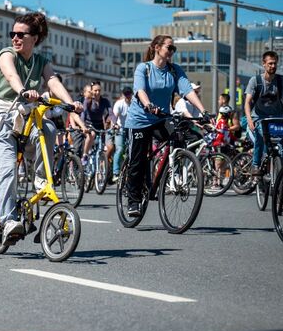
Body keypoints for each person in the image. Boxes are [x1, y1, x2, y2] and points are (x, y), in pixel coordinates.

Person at [0, 12, 79, 240]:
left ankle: (41, 181)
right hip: (3, 119)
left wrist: (70, 103)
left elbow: (52, 81)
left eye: (21, 34)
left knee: (48, 128)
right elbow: (11, 75)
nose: (15, 38)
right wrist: (22, 91)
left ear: (35, 38)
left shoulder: (40, 62)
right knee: (9, 168)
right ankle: (7, 220)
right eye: (13, 34)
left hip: (25, 119)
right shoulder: (6, 54)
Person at [124, 35, 208, 217]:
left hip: (160, 118)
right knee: (137, 161)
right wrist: (147, 104)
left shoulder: (174, 70)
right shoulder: (144, 68)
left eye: (173, 49)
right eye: (169, 48)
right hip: (139, 120)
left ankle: (171, 176)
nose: (171, 52)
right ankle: (133, 200)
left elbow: (187, 91)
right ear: (156, 47)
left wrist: (203, 111)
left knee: (179, 137)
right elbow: (140, 90)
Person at [243, 50, 283, 176]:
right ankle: (256, 164)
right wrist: (250, 120)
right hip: (259, 118)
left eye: (275, 64)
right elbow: (247, 102)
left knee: (282, 144)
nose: (273, 66)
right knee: (260, 135)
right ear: (264, 64)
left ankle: (280, 171)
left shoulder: (281, 80)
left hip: (276, 118)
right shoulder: (255, 81)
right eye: (270, 63)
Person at [80, 81, 113, 169]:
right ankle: (85, 155)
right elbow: (84, 113)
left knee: (104, 146)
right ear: (91, 91)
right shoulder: (87, 101)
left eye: (99, 90)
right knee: (92, 135)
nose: (97, 92)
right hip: (89, 124)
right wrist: (82, 125)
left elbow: (111, 113)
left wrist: (115, 124)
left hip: (99, 125)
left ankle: (101, 168)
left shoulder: (105, 101)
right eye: (95, 90)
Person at [111, 87, 133, 178]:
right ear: (123, 95)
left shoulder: (134, 104)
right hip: (120, 128)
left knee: (131, 150)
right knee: (120, 149)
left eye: (129, 94)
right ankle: (115, 172)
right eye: (126, 94)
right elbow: (114, 116)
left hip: (131, 128)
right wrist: (114, 124)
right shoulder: (119, 104)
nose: (128, 96)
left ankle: (129, 170)